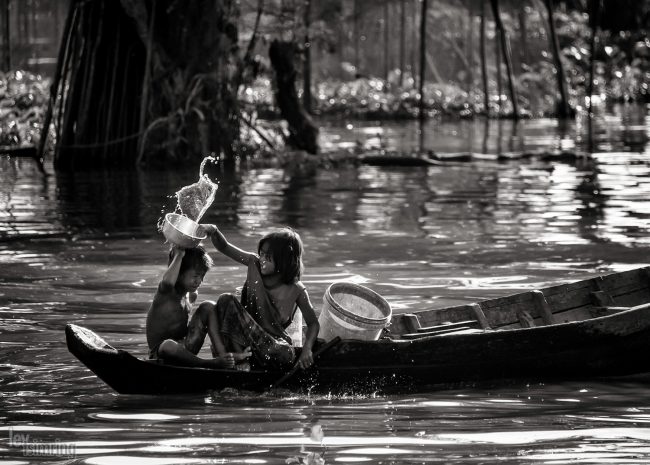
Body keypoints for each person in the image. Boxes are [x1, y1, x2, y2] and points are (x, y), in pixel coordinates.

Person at [202, 225, 320, 371]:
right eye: (261, 254)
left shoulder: (297, 289)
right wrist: (214, 231)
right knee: (226, 299)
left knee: (286, 353)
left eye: (268, 257)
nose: (262, 259)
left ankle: (245, 362)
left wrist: (307, 349)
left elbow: (313, 324)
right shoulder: (254, 263)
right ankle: (238, 359)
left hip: (269, 347)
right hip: (243, 344)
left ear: (283, 260)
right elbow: (224, 247)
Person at [146, 245, 250, 368]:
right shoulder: (166, 293)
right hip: (161, 353)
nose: (199, 281)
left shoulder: (191, 295)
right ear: (179, 273)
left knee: (208, 306)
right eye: (195, 276)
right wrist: (179, 255)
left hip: (185, 350)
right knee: (168, 345)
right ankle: (209, 363)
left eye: (202, 276)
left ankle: (224, 357)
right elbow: (168, 281)